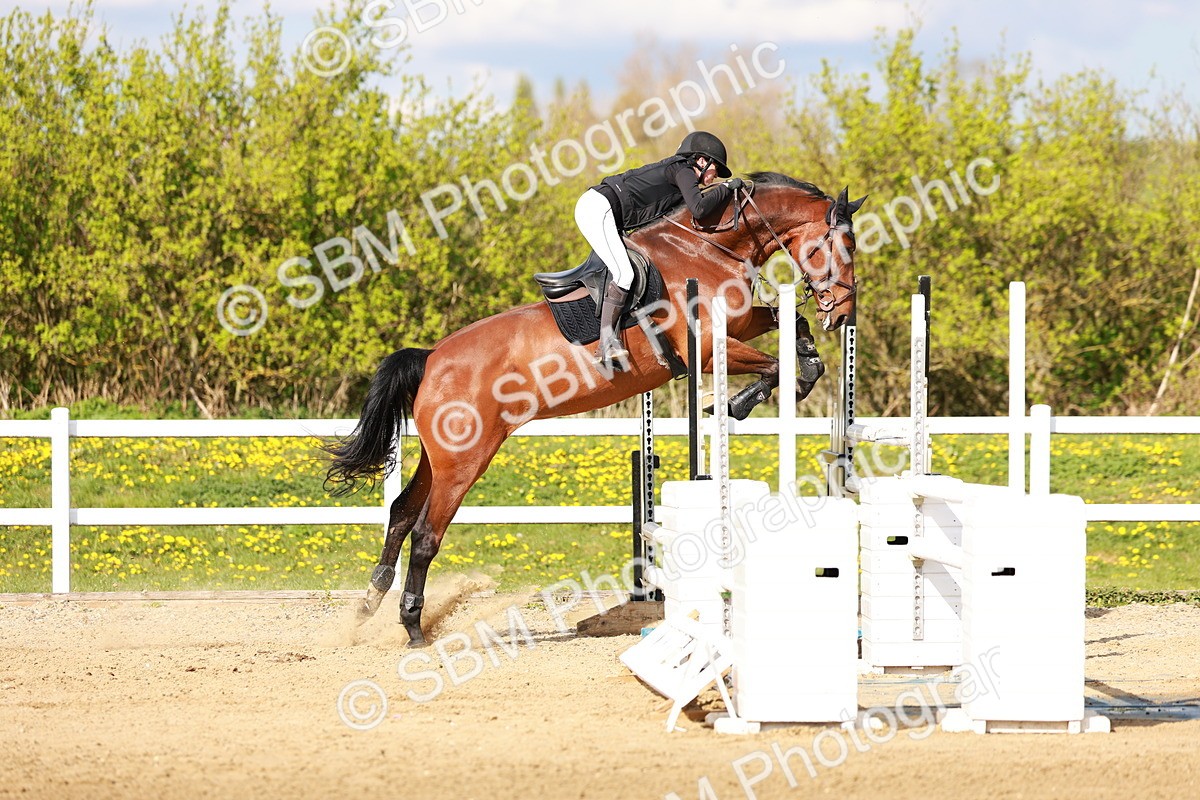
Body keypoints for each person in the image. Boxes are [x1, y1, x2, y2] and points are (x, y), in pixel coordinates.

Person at [575, 130, 744, 369]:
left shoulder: (682, 180)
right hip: (598, 208)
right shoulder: (683, 171)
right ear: (701, 161)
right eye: (716, 168)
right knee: (625, 274)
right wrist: (726, 188)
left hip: (606, 212)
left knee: (630, 271)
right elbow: (699, 208)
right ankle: (606, 345)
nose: (716, 176)